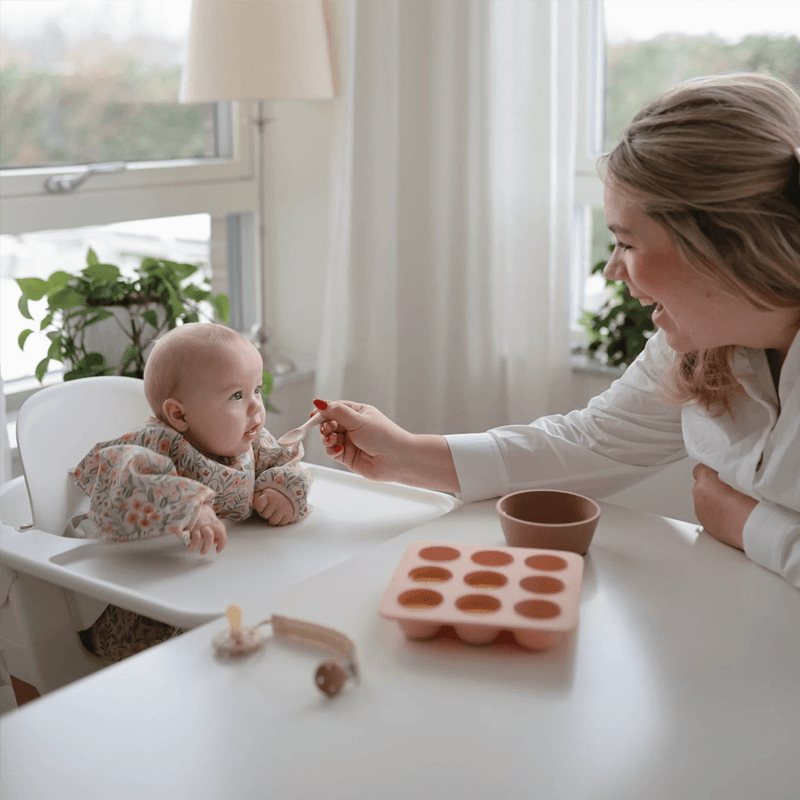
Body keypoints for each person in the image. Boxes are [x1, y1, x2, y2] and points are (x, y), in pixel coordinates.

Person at [312, 73, 800, 590]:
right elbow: (594, 444)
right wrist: (408, 454)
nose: (614, 269)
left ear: (724, 246)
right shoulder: (699, 347)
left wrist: (748, 524)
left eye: (628, 244)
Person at [72, 322, 313, 661]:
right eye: (236, 396)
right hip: (148, 603)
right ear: (179, 414)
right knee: (191, 659)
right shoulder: (155, 444)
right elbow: (123, 483)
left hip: (225, 579)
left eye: (256, 390)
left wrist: (284, 489)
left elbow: (286, 461)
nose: (256, 407)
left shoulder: (250, 441)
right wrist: (189, 505)